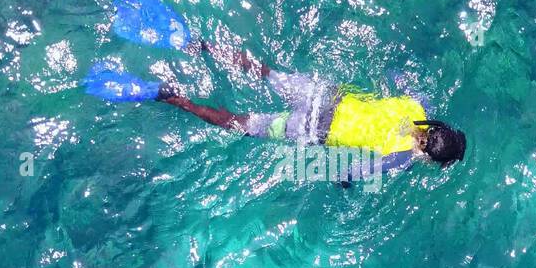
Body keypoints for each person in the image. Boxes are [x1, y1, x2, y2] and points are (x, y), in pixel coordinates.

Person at [155, 41, 466, 179]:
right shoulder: (401, 159)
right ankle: (179, 101)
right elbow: (353, 171)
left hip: (327, 97)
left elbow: (394, 74)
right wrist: (343, 180)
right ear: (429, 157)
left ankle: (206, 47)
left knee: (267, 73)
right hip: (314, 129)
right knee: (245, 124)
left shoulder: (420, 105)